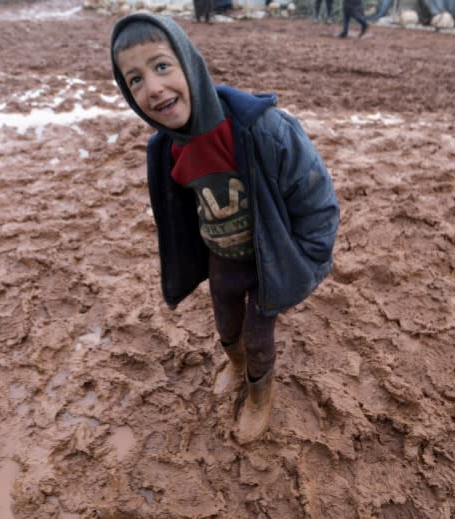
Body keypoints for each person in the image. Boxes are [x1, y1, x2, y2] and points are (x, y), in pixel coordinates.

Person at [109, 14, 339, 444]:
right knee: (227, 329)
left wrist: (309, 258)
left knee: (257, 337)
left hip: (270, 259)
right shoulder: (165, 147)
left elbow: (316, 197)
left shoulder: (261, 127)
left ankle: (259, 393)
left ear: (190, 64)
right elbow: (176, 213)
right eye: (135, 79)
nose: (153, 88)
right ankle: (235, 369)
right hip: (222, 258)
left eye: (161, 66)